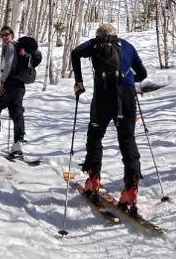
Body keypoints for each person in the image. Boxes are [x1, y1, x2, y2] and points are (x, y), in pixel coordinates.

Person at [71, 22, 147, 211]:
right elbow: (143, 74)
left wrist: (79, 81)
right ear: (116, 35)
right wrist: (127, 78)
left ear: (99, 36)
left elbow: (75, 53)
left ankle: (94, 180)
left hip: (102, 97)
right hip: (127, 97)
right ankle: (131, 190)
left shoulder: (94, 44)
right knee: (128, 140)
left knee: (95, 136)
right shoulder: (127, 46)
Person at [0, 26, 40, 157]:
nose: (4, 37)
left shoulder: (10, 46)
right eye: (2, 35)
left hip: (10, 84)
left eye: (6, 34)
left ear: (12, 34)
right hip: (20, 86)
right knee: (16, 112)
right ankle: (17, 145)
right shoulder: (19, 48)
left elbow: (8, 65)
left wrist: (2, 82)